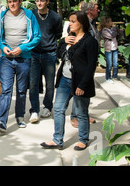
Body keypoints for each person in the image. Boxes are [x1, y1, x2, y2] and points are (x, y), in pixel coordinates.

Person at [40, 11, 98, 150]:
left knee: (81, 112)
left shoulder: (90, 41)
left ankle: (83, 139)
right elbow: (59, 54)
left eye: (73, 21)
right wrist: (62, 41)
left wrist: (83, 85)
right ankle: (57, 139)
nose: (70, 24)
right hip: (65, 79)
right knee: (59, 109)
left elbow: (91, 66)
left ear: (82, 23)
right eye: (70, 21)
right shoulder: (69, 38)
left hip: (79, 82)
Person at [0, 0, 41, 133]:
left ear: (20, 1)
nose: (12, 4)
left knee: (21, 90)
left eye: (14, 1)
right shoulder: (3, 16)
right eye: (10, 1)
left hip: (24, 59)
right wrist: (3, 47)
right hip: (6, 59)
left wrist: (22, 48)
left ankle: (19, 116)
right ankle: (1, 121)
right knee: (6, 90)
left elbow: (37, 36)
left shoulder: (29, 15)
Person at [29, 0, 62, 123]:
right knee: (33, 83)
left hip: (49, 53)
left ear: (47, 1)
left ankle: (47, 106)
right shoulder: (31, 15)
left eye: (42, 1)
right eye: (37, 1)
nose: (39, 3)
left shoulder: (55, 17)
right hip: (34, 53)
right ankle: (34, 110)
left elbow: (58, 34)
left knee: (49, 83)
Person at [69, 0, 100, 128]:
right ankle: (75, 116)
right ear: (89, 10)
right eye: (97, 8)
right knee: (79, 91)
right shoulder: (79, 24)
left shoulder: (92, 24)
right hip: (81, 65)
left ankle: (82, 114)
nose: (98, 11)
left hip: (89, 62)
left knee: (84, 91)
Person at [99, 16, 121, 83]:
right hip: (108, 49)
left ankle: (115, 75)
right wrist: (115, 29)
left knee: (115, 63)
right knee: (109, 64)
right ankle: (108, 77)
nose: (112, 22)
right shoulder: (104, 30)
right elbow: (111, 36)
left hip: (115, 48)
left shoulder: (113, 29)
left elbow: (120, 34)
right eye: (110, 21)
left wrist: (117, 30)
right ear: (107, 23)